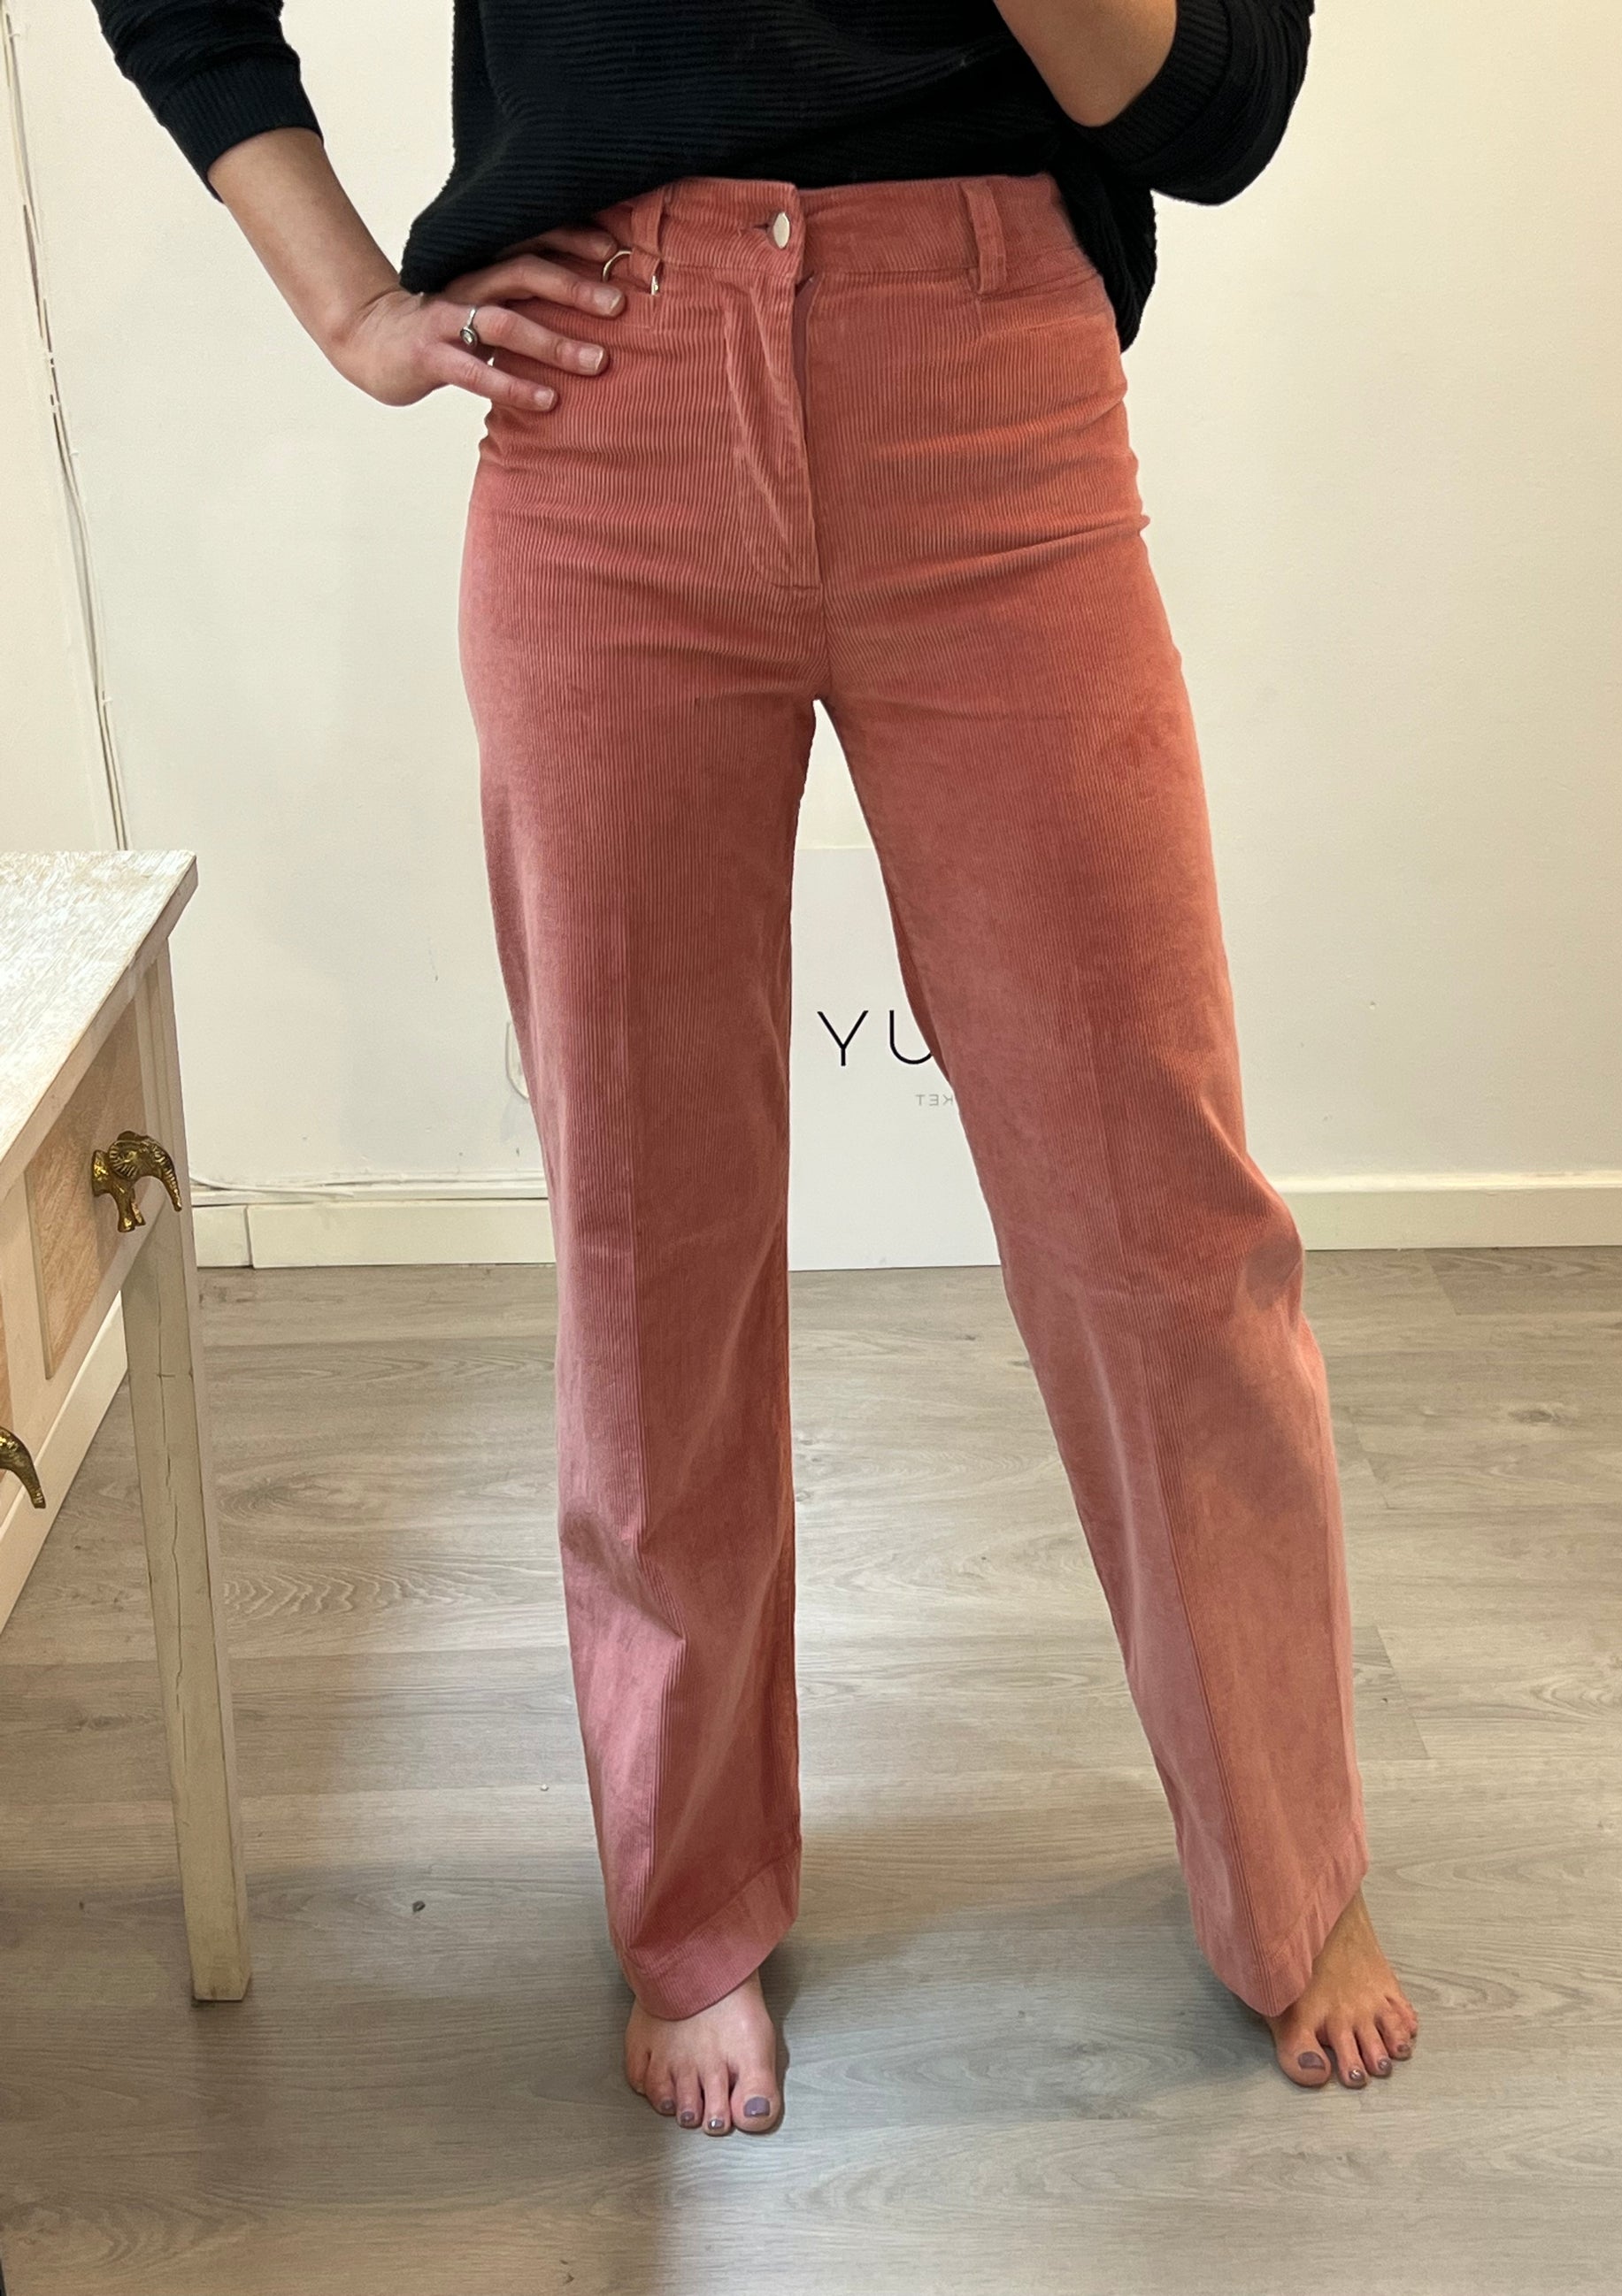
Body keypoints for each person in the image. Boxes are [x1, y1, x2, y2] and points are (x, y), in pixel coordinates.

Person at [90, 0, 1418, 2135]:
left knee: (1157, 1221)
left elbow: (1217, 109)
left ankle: (1291, 1861)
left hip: (990, 391)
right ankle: (689, 1894)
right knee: (652, 1234)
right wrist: (350, 302)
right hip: (599, 395)